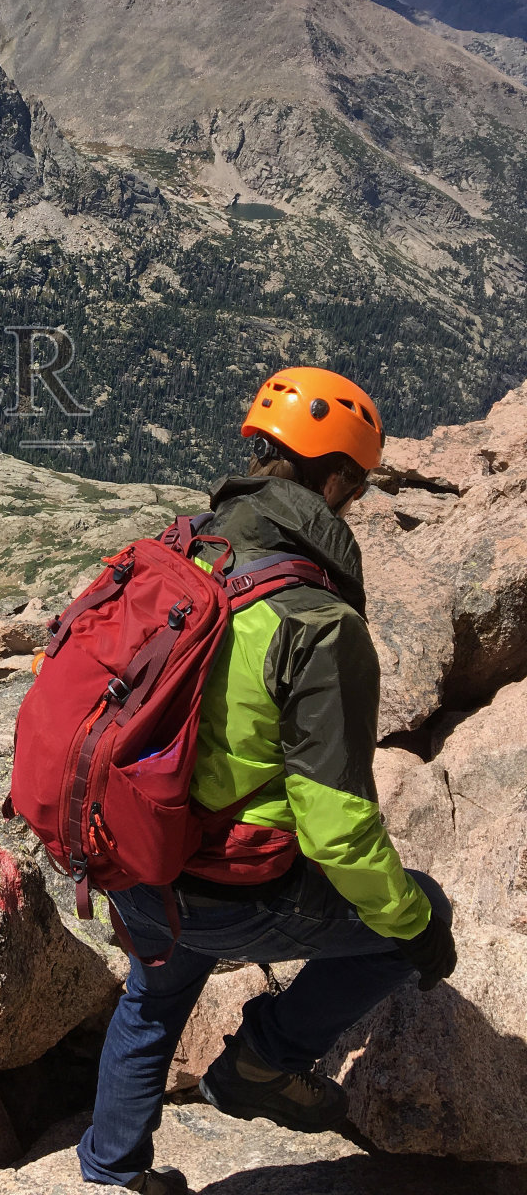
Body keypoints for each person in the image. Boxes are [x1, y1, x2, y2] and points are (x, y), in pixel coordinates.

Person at [77, 367, 457, 1194]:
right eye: (354, 488)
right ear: (339, 481)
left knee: (153, 996)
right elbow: (334, 826)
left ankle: (110, 1172)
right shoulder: (318, 622)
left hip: (133, 860)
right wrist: (417, 924)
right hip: (233, 890)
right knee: (417, 911)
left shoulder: (180, 554)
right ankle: (264, 1061)